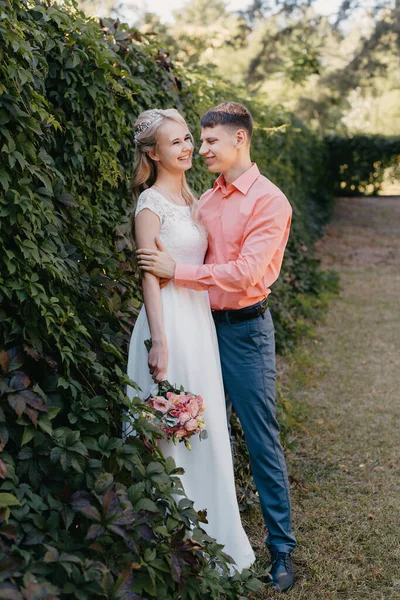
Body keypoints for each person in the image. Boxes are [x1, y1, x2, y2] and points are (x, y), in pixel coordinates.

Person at [137, 102, 296, 592]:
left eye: (208, 141)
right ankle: (188, 541)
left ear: (239, 140)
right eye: (193, 140)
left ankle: (281, 550)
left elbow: (247, 273)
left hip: (244, 331)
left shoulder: (271, 202)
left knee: (258, 434)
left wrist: (177, 273)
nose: (199, 149)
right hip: (198, 328)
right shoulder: (201, 200)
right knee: (193, 433)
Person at [124, 107, 255, 573]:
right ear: (154, 153)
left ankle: (218, 538)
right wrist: (159, 342)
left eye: (187, 139)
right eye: (176, 142)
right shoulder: (149, 206)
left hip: (199, 323)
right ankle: (174, 545)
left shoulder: (194, 199)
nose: (187, 148)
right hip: (170, 325)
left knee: (207, 426)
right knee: (172, 429)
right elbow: (149, 280)